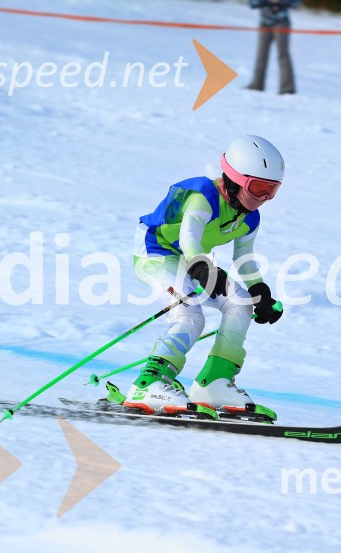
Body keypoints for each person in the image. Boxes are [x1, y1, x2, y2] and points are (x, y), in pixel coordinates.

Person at [125, 135, 285, 416]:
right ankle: (148, 383)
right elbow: (189, 239)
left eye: (271, 190)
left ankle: (214, 382)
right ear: (235, 180)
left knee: (241, 303)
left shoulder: (250, 217)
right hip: (156, 252)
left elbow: (243, 258)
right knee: (190, 314)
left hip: (190, 260)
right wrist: (204, 270)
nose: (264, 198)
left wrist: (259, 291)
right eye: (258, 188)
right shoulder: (202, 197)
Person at [246, 0, 301, 95]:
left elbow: (295, 3)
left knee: (283, 55)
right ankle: (257, 85)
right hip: (264, 23)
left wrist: (280, 1)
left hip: (282, 23)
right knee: (261, 55)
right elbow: (252, 3)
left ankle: (287, 88)